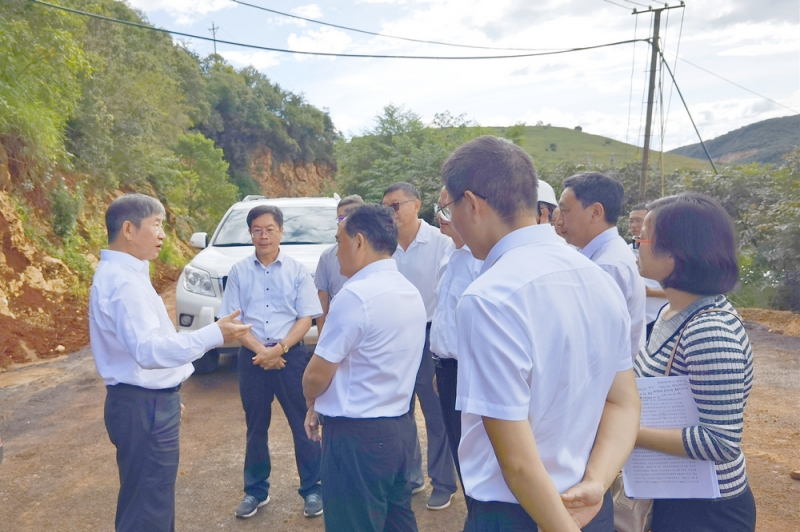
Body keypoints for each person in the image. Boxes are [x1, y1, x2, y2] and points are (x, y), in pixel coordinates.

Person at [442, 136, 641, 532]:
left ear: (473, 204)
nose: (450, 221)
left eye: (449, 209)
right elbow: (623, 402)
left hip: (521, 513)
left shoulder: (489, 297)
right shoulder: (597, 278)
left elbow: (518, 464)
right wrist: (597, 482)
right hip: (588, 502)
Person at [89, 194, 252, 532]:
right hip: (142, 405)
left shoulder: (126, 274)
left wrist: (167, 393)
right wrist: (214, 334)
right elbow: (148, 351)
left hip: (145, 402)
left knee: (148, 502)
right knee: (148, 510)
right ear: (129, 229)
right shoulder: (123, 282)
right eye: (156, 225)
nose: (163, 234)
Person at [634, 192, 756, 531]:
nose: (636, 245)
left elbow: (721, 441)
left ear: (676, 253)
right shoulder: (672, 311)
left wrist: (628, 431)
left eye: (643, 238)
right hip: (675, 494)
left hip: (707, 510)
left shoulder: (709, 331)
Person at [303, 203, 426, 532]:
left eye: (339, 241)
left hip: (356, 437)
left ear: (359, 241)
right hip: (399, 430)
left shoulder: (354, 296)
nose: (336, 252)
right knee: (398, 520)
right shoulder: (409, 291)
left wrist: (312, 401)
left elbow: (315, 375)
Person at [218, 204, 324, 519]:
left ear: (281, 232)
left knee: (303, 423)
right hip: (252, 357)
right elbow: (233, 320)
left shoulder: (297, 271)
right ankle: (255, 491)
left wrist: (280, 349)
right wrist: (262, 352)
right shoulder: (239, 272)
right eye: (257, 230)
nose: (264, 236)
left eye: (270, 229)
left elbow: (306, 317)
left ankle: (313, 488)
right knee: (256, 426)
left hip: (290, 357)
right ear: (250, 233)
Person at [382, 182, 458, 510]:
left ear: (416, 205)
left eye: (396, 205)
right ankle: (411, 477)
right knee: (400, 410)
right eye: (385, 207)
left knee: (436, 412)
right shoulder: (383, 246)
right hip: (394, 336)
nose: (390, 212)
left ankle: (443, 482)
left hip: (429, 334)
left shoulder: (441, 243)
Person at [557, 172, 646, 361]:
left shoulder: (608, 267)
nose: (559, 220)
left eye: (565, 211)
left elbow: (595, 343)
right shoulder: (607, 255)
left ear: (595, 212)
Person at [430, 187, 482, 497]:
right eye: (438, 208)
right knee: (457, 443)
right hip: (448, 367)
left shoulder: (480, 260)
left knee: (475, 449)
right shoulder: (450, 252)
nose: (441, 216)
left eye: (447, 208)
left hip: (471, 370)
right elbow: (445, 313)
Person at [315, 195, 365, 336]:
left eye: (351, 216)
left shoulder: (377, 252)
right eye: (341, 218)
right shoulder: (328, 256)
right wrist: (322, 335)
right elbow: (322, 298)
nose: (345, 222)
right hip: (338, 330)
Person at [628, 203, 668, 340]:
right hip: (635, 322)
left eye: (639, 221)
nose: (634, 225)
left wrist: (650, 292)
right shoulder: (626, 251)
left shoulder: (666, 254)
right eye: (631, 221)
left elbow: (681, 289)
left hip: (658, 319)